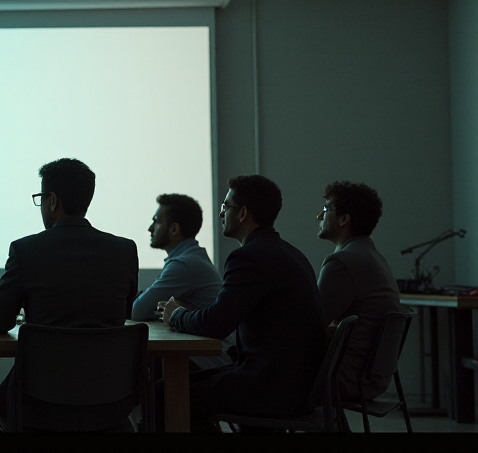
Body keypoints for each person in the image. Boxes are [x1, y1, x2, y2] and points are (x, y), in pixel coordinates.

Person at [160, 175, 324, 432]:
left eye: (226, 207)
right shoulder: (289, 252)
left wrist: (177, 315)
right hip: (295, 384)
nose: (220, 213)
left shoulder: (249, 257)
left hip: (271, 387)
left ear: (243, 213)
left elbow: (216, 323)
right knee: (170, 386)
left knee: (166, 393)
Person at [0, 158, 139, 431]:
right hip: (110, 398)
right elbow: (123, 315)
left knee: (0, 405)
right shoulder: (125, 250)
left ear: (52, 200)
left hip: (40, 398)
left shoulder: (26, 250)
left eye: (41, 198)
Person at [316, 181, 404, 401]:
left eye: (326, 210)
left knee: (265, 371)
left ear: (344, 219)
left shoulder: (343, 262)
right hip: (372, 377)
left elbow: (311, 323)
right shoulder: (373, 256)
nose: (319, 216)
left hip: (343, 378)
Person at [131, 193, 234, 370]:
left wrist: (159, 310)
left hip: (207, 363)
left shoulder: (184, 264)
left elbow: (138, 311)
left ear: (174, 229)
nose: (150, 228)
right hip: (208, 357)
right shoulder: (191, 257)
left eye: (156, 221)